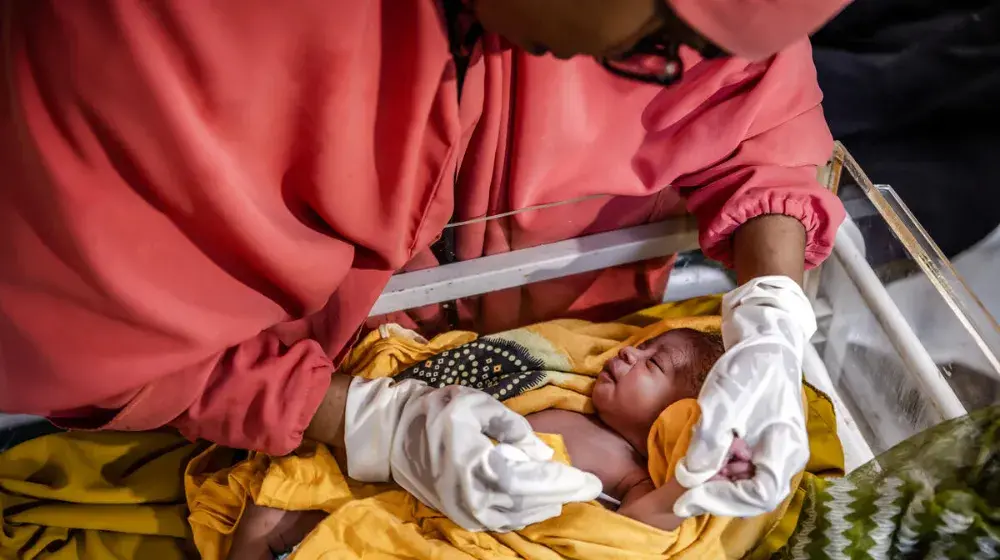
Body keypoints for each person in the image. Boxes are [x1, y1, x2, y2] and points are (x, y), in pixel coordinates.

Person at [0, 0, 850, 532]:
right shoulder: (163, 38)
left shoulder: (653, 488)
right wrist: (365, 420)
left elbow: (762, 120)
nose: (689, 68)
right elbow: (83, 325)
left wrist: (771, 311)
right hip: (252, 393)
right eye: (665, 40)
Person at [226, 327, 758, 558]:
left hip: (471, 526)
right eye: (640, 347)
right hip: (416, 469)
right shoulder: (568, 391)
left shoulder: (634, 471)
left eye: (653, 363)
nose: (626, 355)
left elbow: (646, 527)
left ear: (678, 415)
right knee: (266, 509)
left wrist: (692, 482)